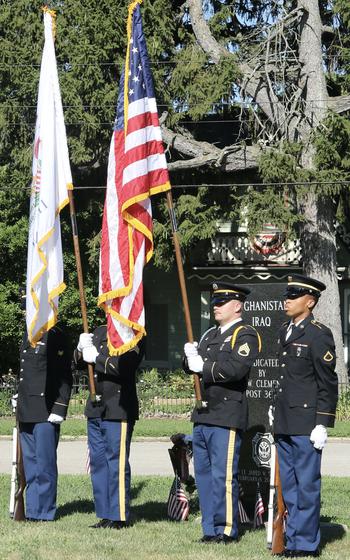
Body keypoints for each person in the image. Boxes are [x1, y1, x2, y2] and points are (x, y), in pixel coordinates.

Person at [183, 282, 261, 544]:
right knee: (204, 476)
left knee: (223, 476)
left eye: (221, 302)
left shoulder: (245, 334)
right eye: (215, 302)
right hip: (203, 414)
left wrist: (202, 365)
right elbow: (195, 366)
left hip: (226, 414)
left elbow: (236, 369)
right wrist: (188, 359)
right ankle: (209, 528)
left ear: (237, 306)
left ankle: (226, 529)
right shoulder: (209, 335)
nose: (215, 306)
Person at [271, 274, 338, 558]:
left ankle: (307, 544)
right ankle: (293, 539)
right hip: (285, 420)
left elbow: (328, 382)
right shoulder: (284, 329)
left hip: (306, 423)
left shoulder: (318, 333)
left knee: (306, 485)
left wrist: (322, 422)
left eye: (294, 296)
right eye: (287, 295)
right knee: (290, 486)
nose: (287, 300)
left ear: (309, 302)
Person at [74, 326, 145, 529]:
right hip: (96, 407)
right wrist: (79, 350)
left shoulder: (134, 331)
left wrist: (97, 357)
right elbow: (79, 364)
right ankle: (105, 513)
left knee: (116, 462)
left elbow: (125, 367)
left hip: (118, 406)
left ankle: (118, 515)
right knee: (98, 463)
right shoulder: (98, 332)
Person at [16, 323, 72, 521]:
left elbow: (64, 374)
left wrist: (59, 406)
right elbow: (26, 371)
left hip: (46, 408)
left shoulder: (55, 334)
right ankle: (32, 510)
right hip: (27, 407)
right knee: (30, 464)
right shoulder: (29, 332)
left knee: (45, 464)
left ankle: (44, 512)